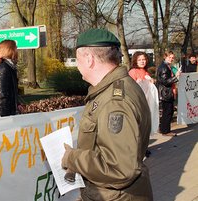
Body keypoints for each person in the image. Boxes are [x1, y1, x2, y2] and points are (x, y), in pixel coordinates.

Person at [61, 29, 153, 200]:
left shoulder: (114, 101)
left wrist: (73, 158)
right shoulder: (113, 89)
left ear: (89, 59)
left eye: (78, 59)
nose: (77, 65)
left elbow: (120, 168)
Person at [0, 39, 20, 116]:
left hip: (9, 113)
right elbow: (1, 95)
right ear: (11, 50)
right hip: (6, 116)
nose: (17, 51)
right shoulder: (4, 68)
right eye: (16, 48)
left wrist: (17, 104)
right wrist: (4, 117)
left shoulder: (8, 67)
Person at [156, 51, 180, 136]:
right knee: (168, 112)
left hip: (166, 92)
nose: (171, 59)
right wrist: (176, 77)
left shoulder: (166, 66)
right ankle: (166, 131)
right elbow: (165, 81)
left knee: (167, 112)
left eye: (172, 58)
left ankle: (163, 129)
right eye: (169, 57)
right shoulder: (164, 67)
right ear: (165, 57)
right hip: (165, 93)